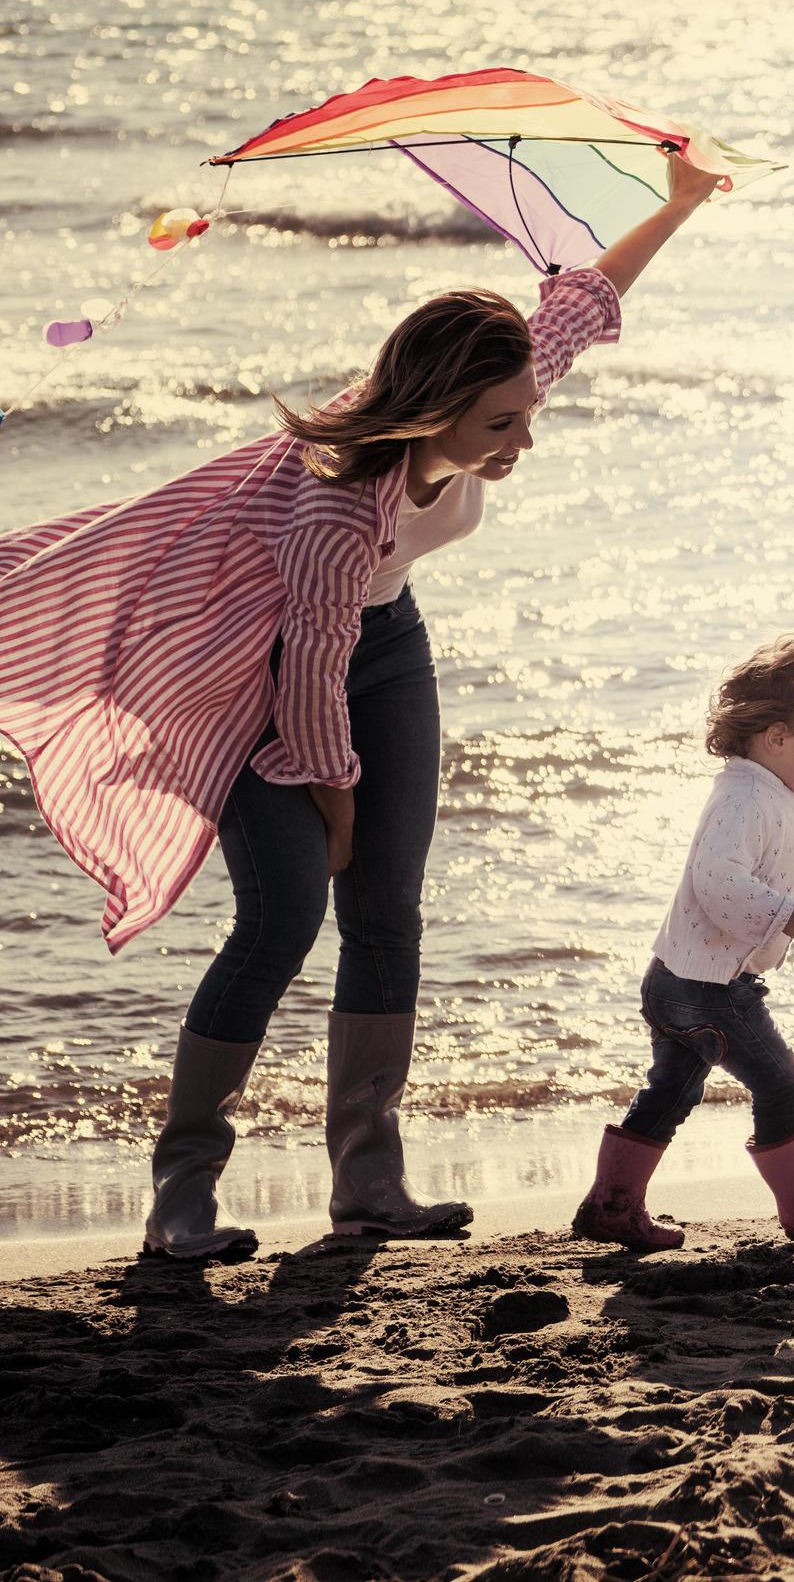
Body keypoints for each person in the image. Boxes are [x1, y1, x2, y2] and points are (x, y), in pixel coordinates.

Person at [0, 150, 725, 1261]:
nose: (523, 439)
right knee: (283, 915)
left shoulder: (497, 390)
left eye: (525, 413)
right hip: (250, 667)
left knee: (388, 913)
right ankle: (181, 1193)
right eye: (502, 426)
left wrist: (676, 202)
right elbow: (307, 675)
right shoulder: (339, 508)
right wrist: (333, 804)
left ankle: (369, 1184)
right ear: (436, 410)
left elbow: (584, 296)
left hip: (388, 648)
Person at [571, 633, 794, 1251]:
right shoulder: (744, 795)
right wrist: (788, 917)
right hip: (708, 990)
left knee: (672, 1091)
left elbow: (791, 888)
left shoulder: (775, 797)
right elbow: (716, 882)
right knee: (780, 1079)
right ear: (777, 737)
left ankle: (612, 1206)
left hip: (679, 981)